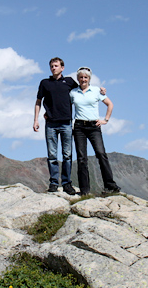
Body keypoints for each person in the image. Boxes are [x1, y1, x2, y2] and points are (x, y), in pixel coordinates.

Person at [33, 57, 105, 194]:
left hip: (66, 123)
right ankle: (54, 183)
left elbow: (83, 89)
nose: (53, 68)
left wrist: (99, 90)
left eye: (56, 66)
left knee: (67, 155)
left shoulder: (70, 82)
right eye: (52, 66)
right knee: (52, 155)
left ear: (62, 68)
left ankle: (66, 183)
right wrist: (36, 119)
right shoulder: (44, 83)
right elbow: (38, 101)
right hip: (51, 124)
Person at [70, 66, 120, 195]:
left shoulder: (97, 90)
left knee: (101, 154)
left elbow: (110, 104)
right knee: (81, 158)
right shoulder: (73, 92)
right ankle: (84, 190)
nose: (83, 79)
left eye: (86, 77)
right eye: (81, 77)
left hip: (94, 126)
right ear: (78, 79)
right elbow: (65, 106)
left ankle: (110, 185)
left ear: (89, 79)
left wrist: (105, 119)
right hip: (79, 127)